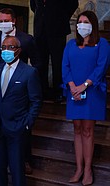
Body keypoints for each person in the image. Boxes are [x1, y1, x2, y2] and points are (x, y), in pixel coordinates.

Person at [0, 7, 40, 174]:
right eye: (0, 21)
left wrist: (28, 80)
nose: (3, 24)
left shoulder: (26, 39)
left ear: (13, 21)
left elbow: (37, 63)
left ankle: (26, 160)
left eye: (6, 20)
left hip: (19, 96)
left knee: (19, 153)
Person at [62, 10, 110, 185]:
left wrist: (85, 85)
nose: (82, 24)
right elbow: (65, 66)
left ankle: (88, 169)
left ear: (93, 24)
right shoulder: (70, 45)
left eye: (86, 22)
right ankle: (79, 168)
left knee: (88, 130)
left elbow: (101, 66)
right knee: (77, 129)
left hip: (92, 91)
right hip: (73, 91)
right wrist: (72, 85)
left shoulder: (102, 43)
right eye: (79, 22)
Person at [30, 0, 78, 102]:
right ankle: (43, 91)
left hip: (57, 28)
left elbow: (73, 4)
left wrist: (61, 16)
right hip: (40, 28)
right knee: (40, 62)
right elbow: (33, 5)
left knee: (58, 61)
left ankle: (59, 91)